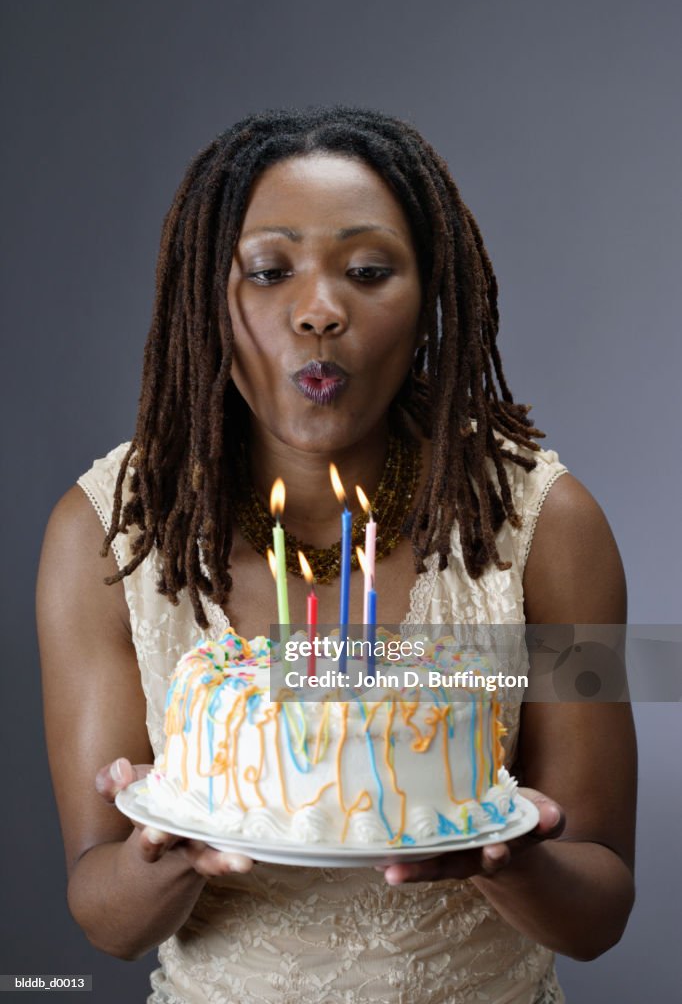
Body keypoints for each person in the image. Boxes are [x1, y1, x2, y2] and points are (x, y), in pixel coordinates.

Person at [37, 106, 636, 1004]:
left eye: (367, 271)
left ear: (431, 292)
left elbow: (600, 910)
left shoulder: (548, 526)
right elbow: (102, 912)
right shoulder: (106, 534)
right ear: (207, 296)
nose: (319, 311)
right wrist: (173, 852)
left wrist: (502, 863)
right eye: (269, 271)